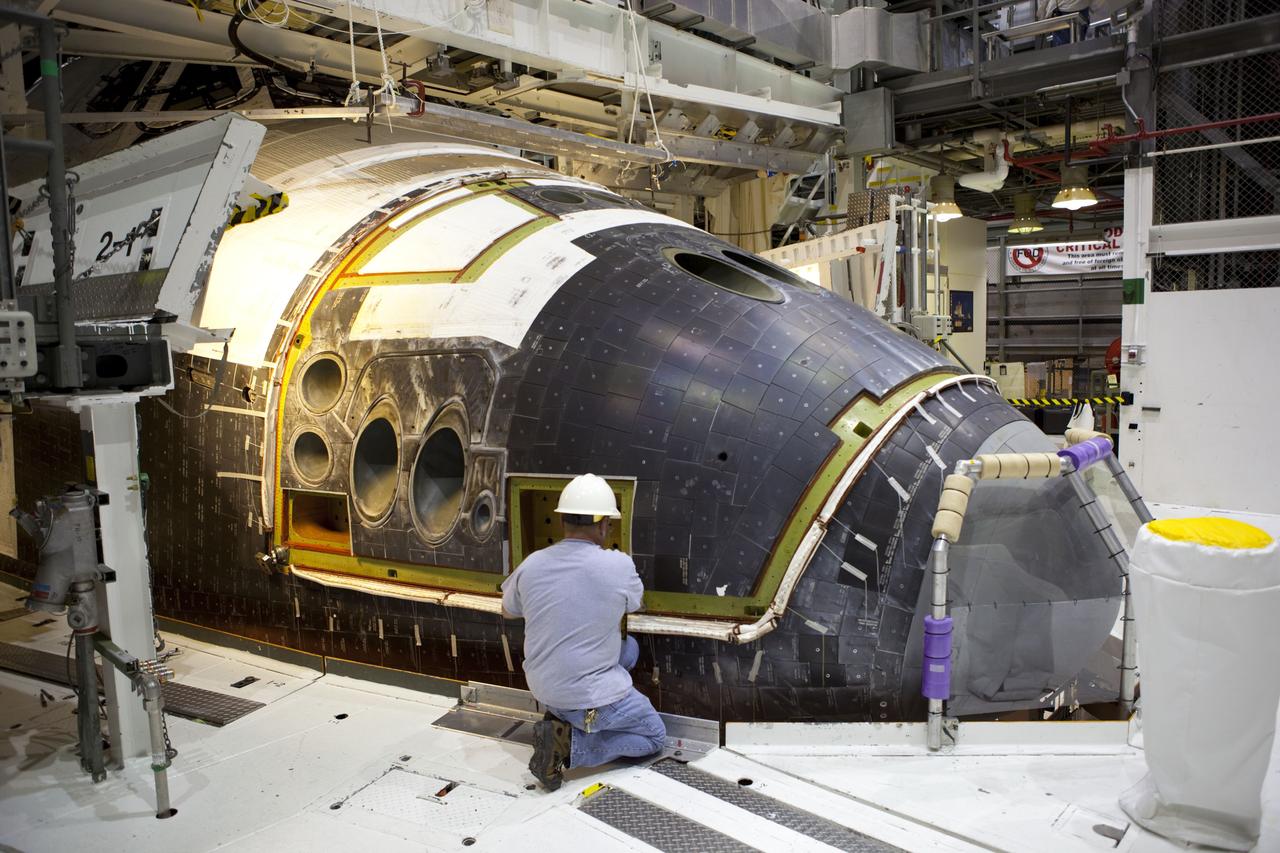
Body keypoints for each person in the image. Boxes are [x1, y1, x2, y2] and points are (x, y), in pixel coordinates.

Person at [500, 473, 666, 790]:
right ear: (604, 525)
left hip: (542, 686)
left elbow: (508, 610)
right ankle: (569, 747)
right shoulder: (618, 565)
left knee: (627, 650)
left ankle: (565, 720)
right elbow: (636, 604)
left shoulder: (532, 564)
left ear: (563, 522)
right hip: (583, 696)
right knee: (653, 735)